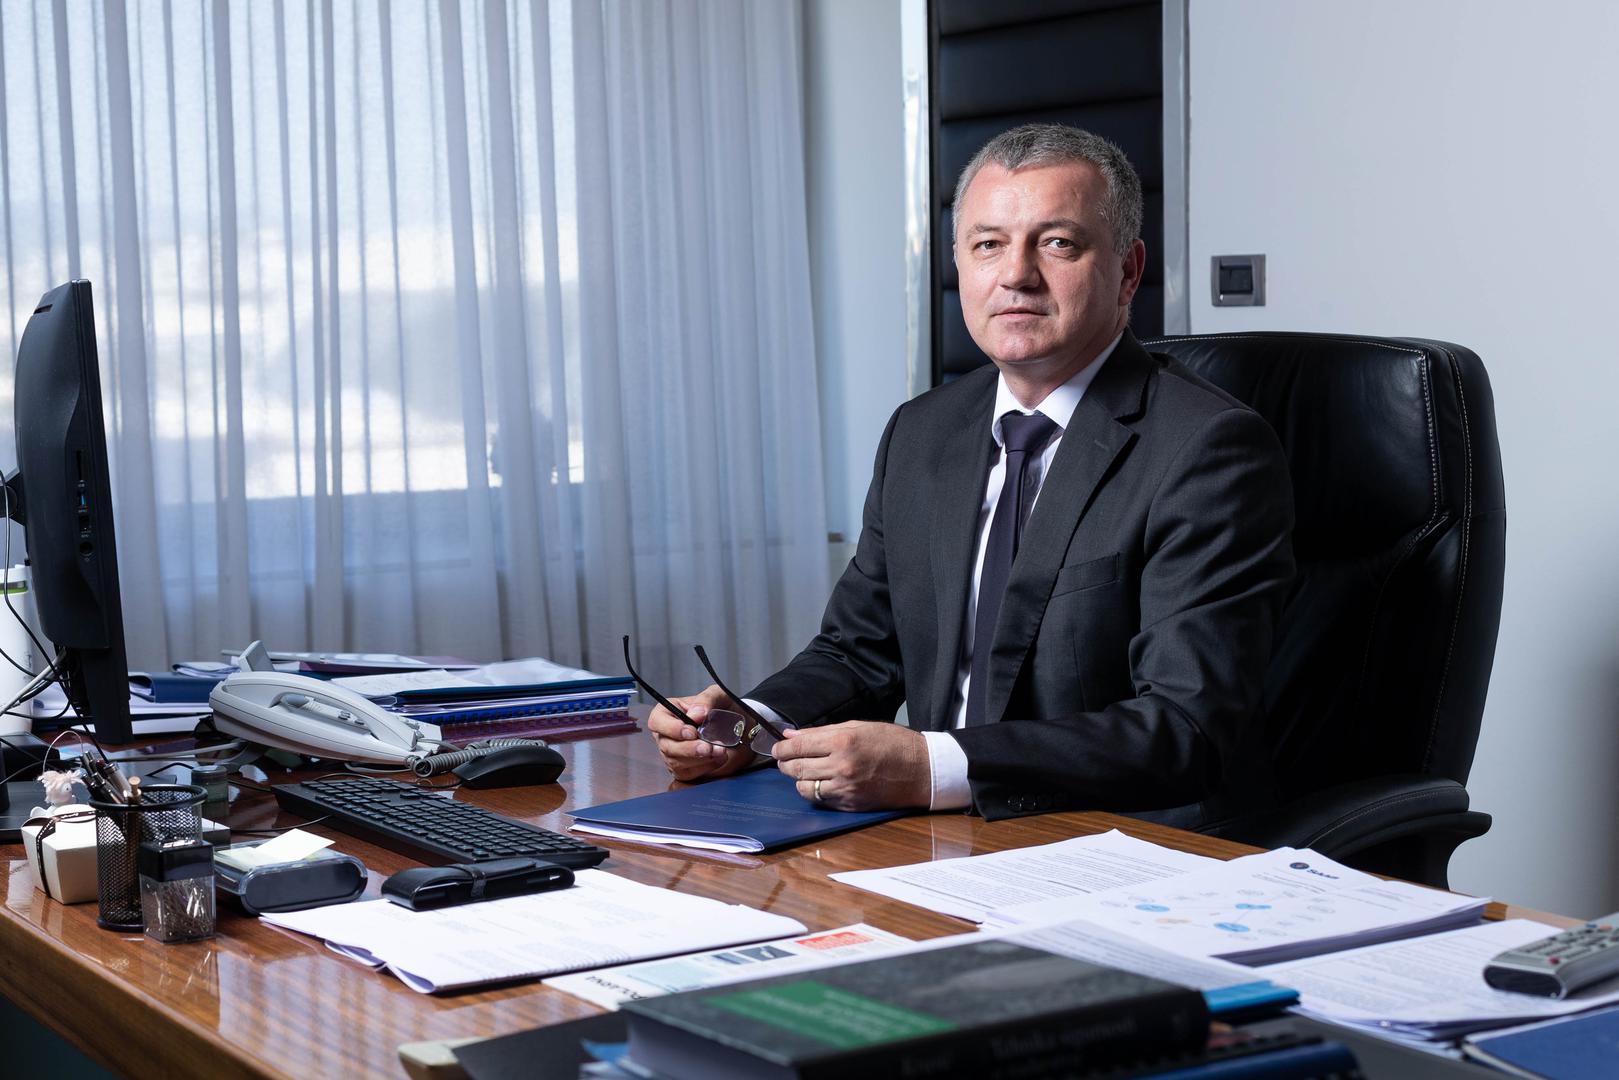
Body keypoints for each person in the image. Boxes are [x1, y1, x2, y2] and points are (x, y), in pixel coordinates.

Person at [648, 124, 1295, 827]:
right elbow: (859, 653)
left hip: (1119, 836)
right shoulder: (921, 432)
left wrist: (932, 766)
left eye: (1057, 243)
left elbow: (1186, 725)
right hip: (929, 834)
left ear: (1128, 272)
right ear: (959, 263)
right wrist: (749, 725)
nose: (1016, 275)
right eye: (988, 244)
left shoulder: (1206, 448)